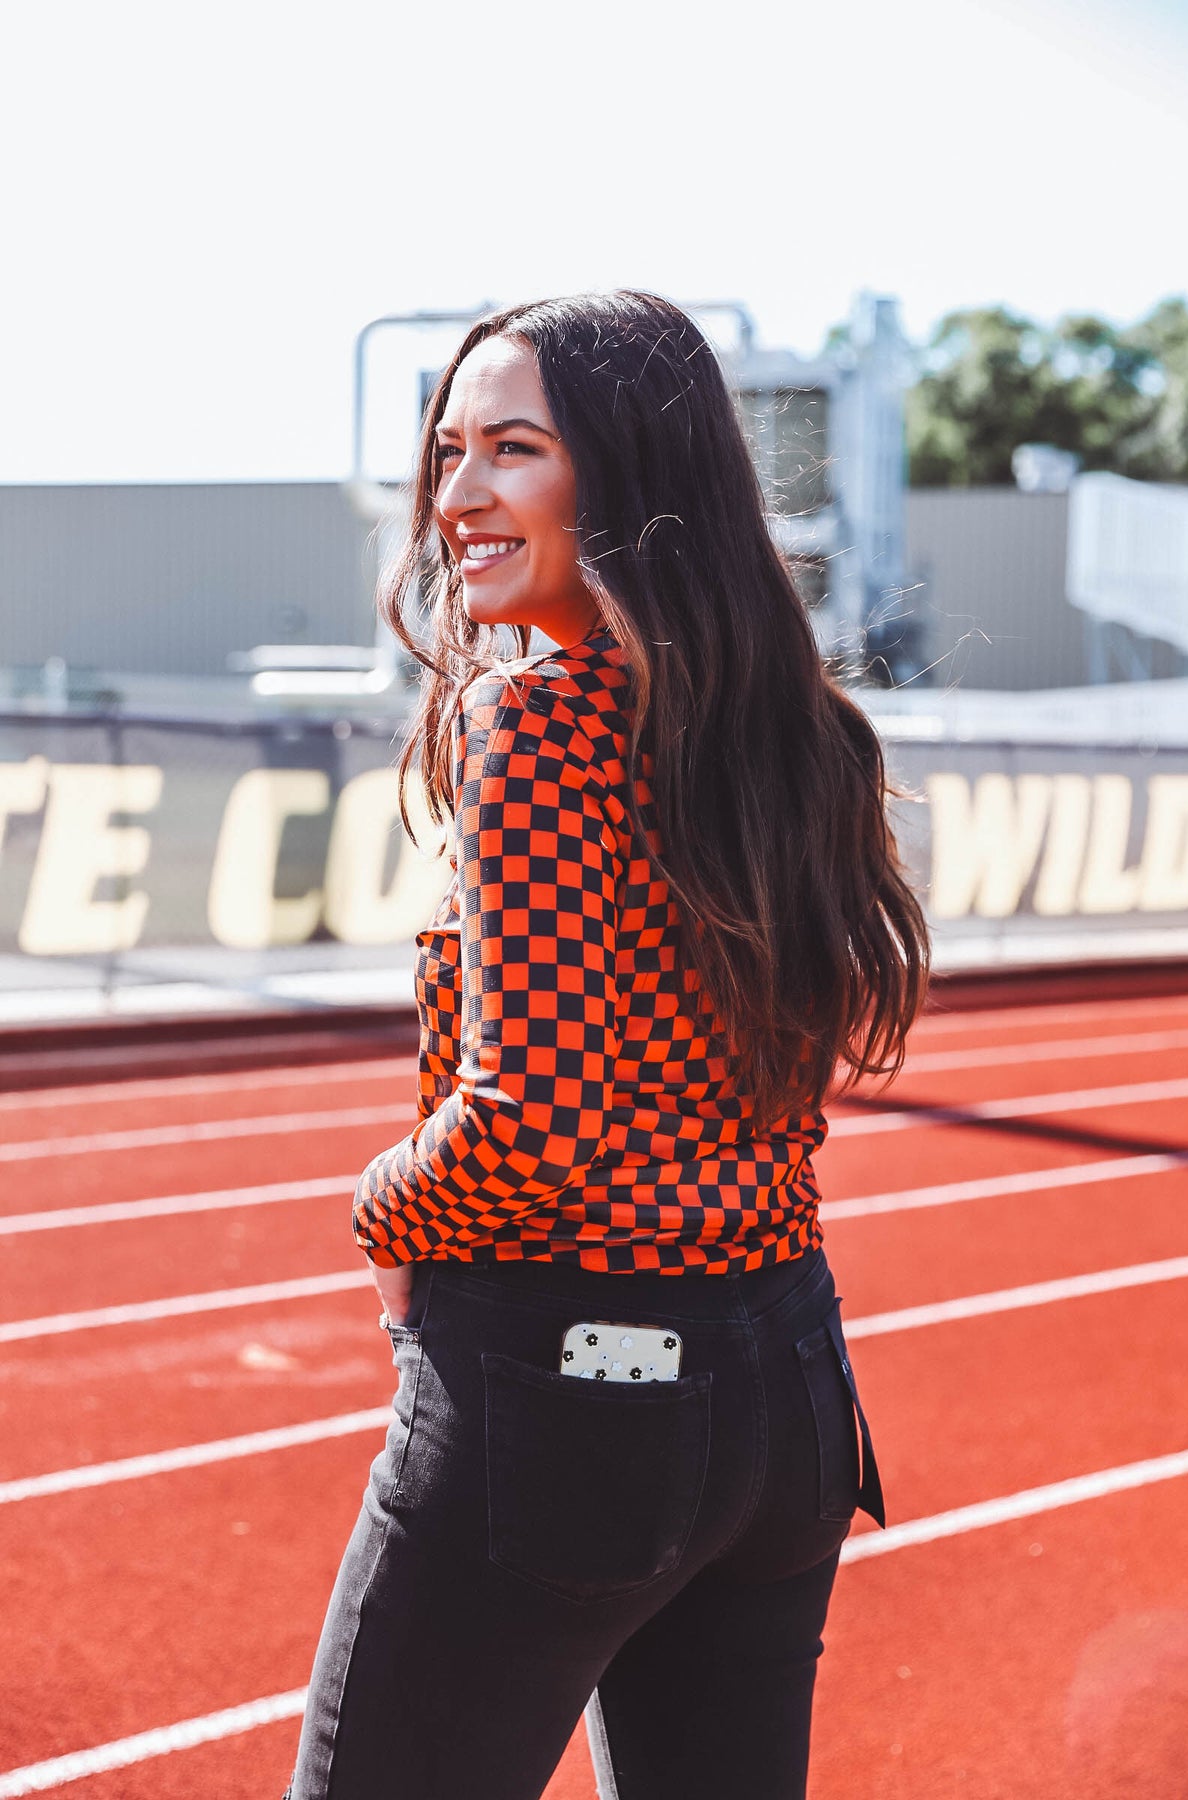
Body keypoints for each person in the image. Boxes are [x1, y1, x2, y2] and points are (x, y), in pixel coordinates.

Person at [285, 291, 929, 1800]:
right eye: (448, 452)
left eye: (513, 448)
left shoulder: (543, 719)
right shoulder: (793, 729)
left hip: (571, 1392)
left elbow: (529, 1121)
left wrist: (377, 1212)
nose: (454, 498)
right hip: (786, 1386)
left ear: (634, 476)